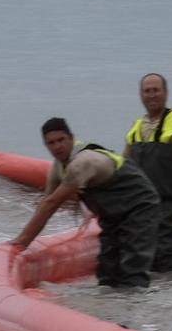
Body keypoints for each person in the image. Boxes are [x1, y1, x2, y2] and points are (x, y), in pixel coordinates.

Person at [12, 117, 160, 288]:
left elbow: (52, 203)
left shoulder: (81, 163)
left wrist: (21, 242)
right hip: (113, 213)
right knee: (107, 269)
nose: (57, 146)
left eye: (61, 140)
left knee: (132, 267)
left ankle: (138, 305)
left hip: (139, 204)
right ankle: (113, 311)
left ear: (71, 138)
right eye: (51, 143)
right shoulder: (57, 167)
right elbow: (45, 202)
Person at [123, 73, 172, 272]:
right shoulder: (136, 128)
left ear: (165, 93)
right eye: (147, 91)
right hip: (141, 214)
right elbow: (124, 170)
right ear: (141, 95)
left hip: (171, 211)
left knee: (169, 268)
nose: (152, 95)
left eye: (156, 90)